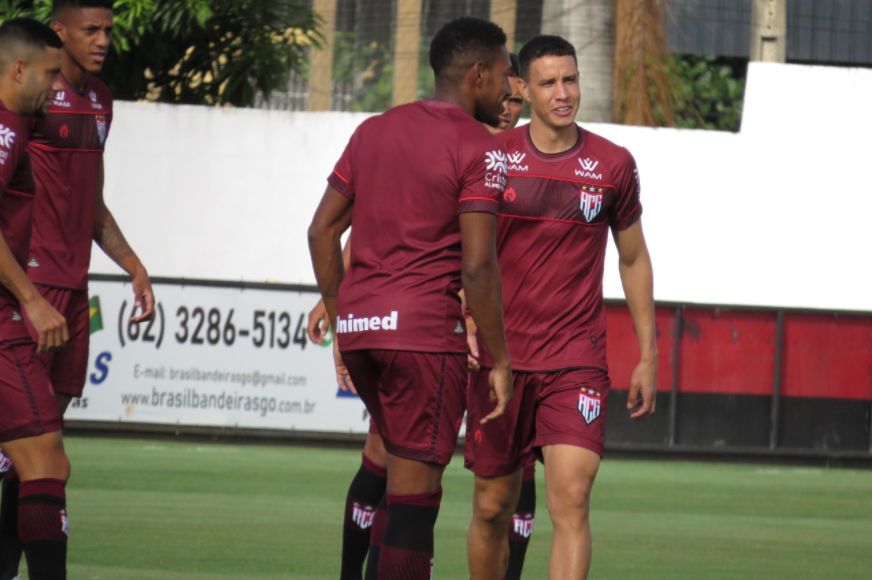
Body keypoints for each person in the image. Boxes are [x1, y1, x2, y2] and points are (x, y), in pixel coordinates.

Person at [306, 52, 532, 580]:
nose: (507, 92)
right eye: (504, 79)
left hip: (364, 330)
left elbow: (321, 230)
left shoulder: (375, 129)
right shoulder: (479, 147)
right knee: (414, 500)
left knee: (393, 468)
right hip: (424, 335)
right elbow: (477, 268)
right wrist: (499, 358)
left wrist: (343, 316)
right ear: (478, 74)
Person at [464, 35, 657, 580]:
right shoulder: (491, 158)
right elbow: (454, 248)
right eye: (548, 82)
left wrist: (649, 353)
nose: (563, 92)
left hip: (576, 361)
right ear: (522, 88)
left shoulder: (614, 164)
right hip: (501, 362)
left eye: (570, 79)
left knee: (571, 500)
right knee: (491, 508)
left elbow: (635, 258)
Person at [0, 3, 155, 578]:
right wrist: (28, 294)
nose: (103, 40)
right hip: (29, 288)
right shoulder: (30, 97)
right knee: (36, 450)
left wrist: (133, 263)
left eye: (109, 30)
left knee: (36, 451)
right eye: (91, 30)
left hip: (73, 288)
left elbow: (92, 200)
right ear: (58, 32)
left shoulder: (103, 100)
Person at [0, 18, 70, 580]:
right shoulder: (3, 127)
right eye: (49, 72)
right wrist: (31, 298)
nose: (57, 83)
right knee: (44, 457)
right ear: (17, 69)